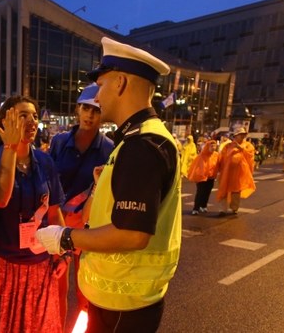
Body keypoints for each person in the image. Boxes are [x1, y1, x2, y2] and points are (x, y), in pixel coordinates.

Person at [36, 37, 181, 333]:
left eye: (101, 86)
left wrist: (66, 237)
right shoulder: (138, 137)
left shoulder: (142, 144)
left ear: (120, 83)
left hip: (123, 302)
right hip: (124, 296)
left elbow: (131, 235)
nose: (97, 99)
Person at [0, 95, 66, 333]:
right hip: (2, 265)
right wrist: (11, 149)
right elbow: (1, 199)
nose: (32, 121)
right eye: (23, 115)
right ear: (6, 121)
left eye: (34, 115)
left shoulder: (45, 161)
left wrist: (62, 254)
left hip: (39, 264)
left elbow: (54, 212)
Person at [47, 83, 113, 325]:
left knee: (86, 288)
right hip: (58, 223)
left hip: (88, 225)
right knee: (57, 284)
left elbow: (107, 192)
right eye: (86, 108)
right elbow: (49, 181)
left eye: (96, 110)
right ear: (77, 109)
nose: (90, 114)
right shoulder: (59, 142)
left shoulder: (108, 148)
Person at [216, 128, 256, 216]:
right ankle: (223, 210)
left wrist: (241, 148)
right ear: (235, 136)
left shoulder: (248, 146)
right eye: (240, 134)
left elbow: (250, 156)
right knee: (224, 189)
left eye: (243, 134)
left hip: (239, 173)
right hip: (227, 172)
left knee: (236, 191)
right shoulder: (228, 146)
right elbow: (222, 157)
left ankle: (234, 208)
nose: (242, 136)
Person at [188, 140, 220, 215]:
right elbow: (196, 165)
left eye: (214, 146)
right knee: (200, 192)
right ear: (207, 146)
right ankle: (196, 208)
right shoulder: (202, 155)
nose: (213, 148)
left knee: (207, 192)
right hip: (202, 177)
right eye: (211, 146)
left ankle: (203, 206)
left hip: (211, 177)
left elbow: (219, 164)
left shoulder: (216, 155)